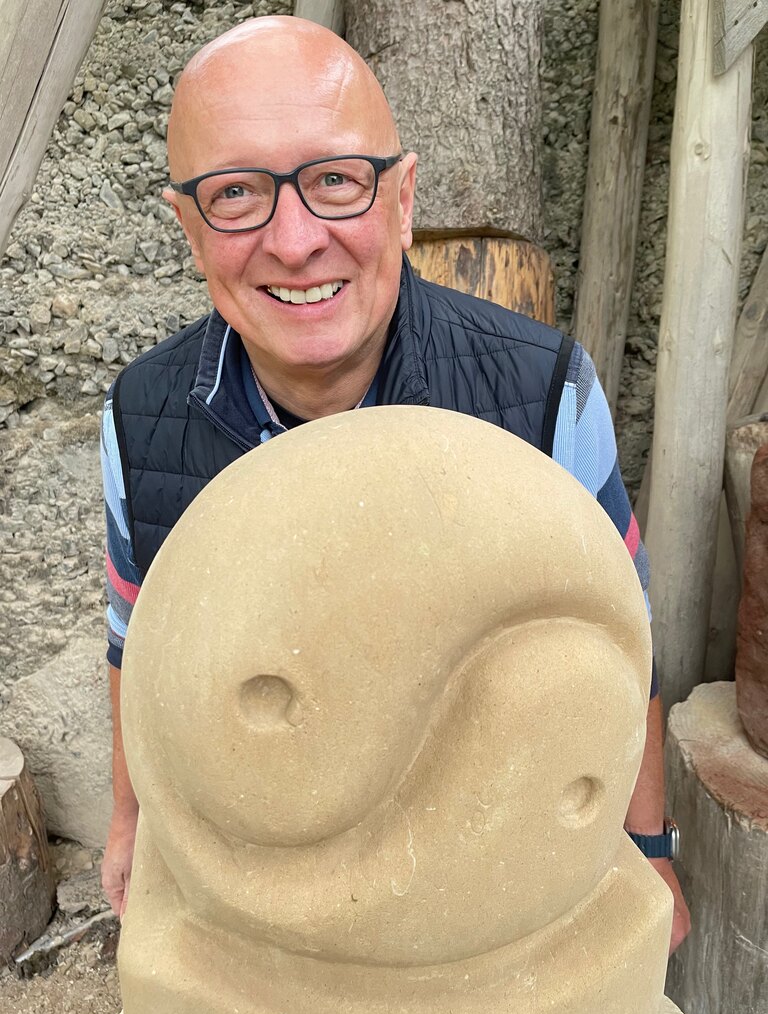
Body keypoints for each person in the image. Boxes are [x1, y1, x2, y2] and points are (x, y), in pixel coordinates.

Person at [100, 15, 690, 952]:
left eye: (336, 181)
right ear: (190, 229)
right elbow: (136, 641)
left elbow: (624, 640)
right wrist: (131, 818)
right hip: (268, 891)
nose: (296, 241)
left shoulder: (545, 394)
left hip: (490, 876)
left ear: (403, 199)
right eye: (237, 193)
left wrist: (646, 846)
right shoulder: (142, 415)